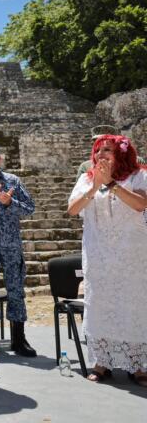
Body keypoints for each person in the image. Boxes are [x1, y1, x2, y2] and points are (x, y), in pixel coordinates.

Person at [68, 135, 147, 386]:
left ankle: (138, 365)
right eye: (99, 150)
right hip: (98, 254)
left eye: (108, 150)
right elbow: (72, 209)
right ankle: (101, 362)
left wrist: (112, 184)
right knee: (99, 304)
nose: (101, 154)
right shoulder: (86, 178)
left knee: (133, 306)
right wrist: (95, 187)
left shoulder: (138, 176)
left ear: (121, 154)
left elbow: (141, 204)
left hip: (131, 255)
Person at [0, 141, 37, 357]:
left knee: (16, 292)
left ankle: (19, 340)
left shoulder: (12, 181)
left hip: (11, 246)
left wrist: (9, 203)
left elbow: (30, 209)